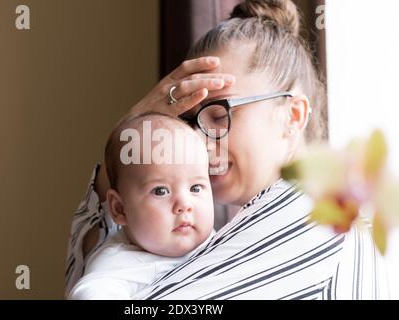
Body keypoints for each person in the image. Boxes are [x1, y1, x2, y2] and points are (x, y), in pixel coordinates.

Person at [66, 0, 389, 299]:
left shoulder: (316, 221)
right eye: (190, 121)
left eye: (219, 115)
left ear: (293, 115)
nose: (201, 145)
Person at [68, 113, 215, 299]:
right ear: (120, 209)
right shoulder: (117, 266)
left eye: (195, 188)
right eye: (161, 191)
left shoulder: (220, 240)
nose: (185, 205)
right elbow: (90, 292)